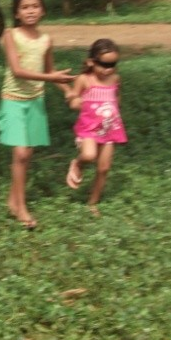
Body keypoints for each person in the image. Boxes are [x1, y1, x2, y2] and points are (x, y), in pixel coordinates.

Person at [0, 0, 73, 229]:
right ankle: (21, 208)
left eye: (35, 6)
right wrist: (51, 79)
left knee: (26, 155)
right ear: (17, 13)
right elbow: (18, 70)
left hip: (35, 101)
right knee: (20, 154)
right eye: (25, 7)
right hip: (12, 100)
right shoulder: (10, 35)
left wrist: (68, 91)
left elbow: (51, 72)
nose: (31, 11)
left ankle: (13, 200)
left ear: (43, 11)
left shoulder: (46, 40)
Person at [64, 38, 128, 216]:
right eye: (104, 64)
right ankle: (77, 163)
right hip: (89, 128)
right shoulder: (84, 79)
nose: (108, 69)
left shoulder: (115, 78)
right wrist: (77, 102)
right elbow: (73, 100)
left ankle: (93, 202)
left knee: (104, 168)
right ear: (91, 62)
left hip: (109, 128)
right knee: (89, 155)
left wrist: (115, 110)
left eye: (113, 64)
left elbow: (116, 97)